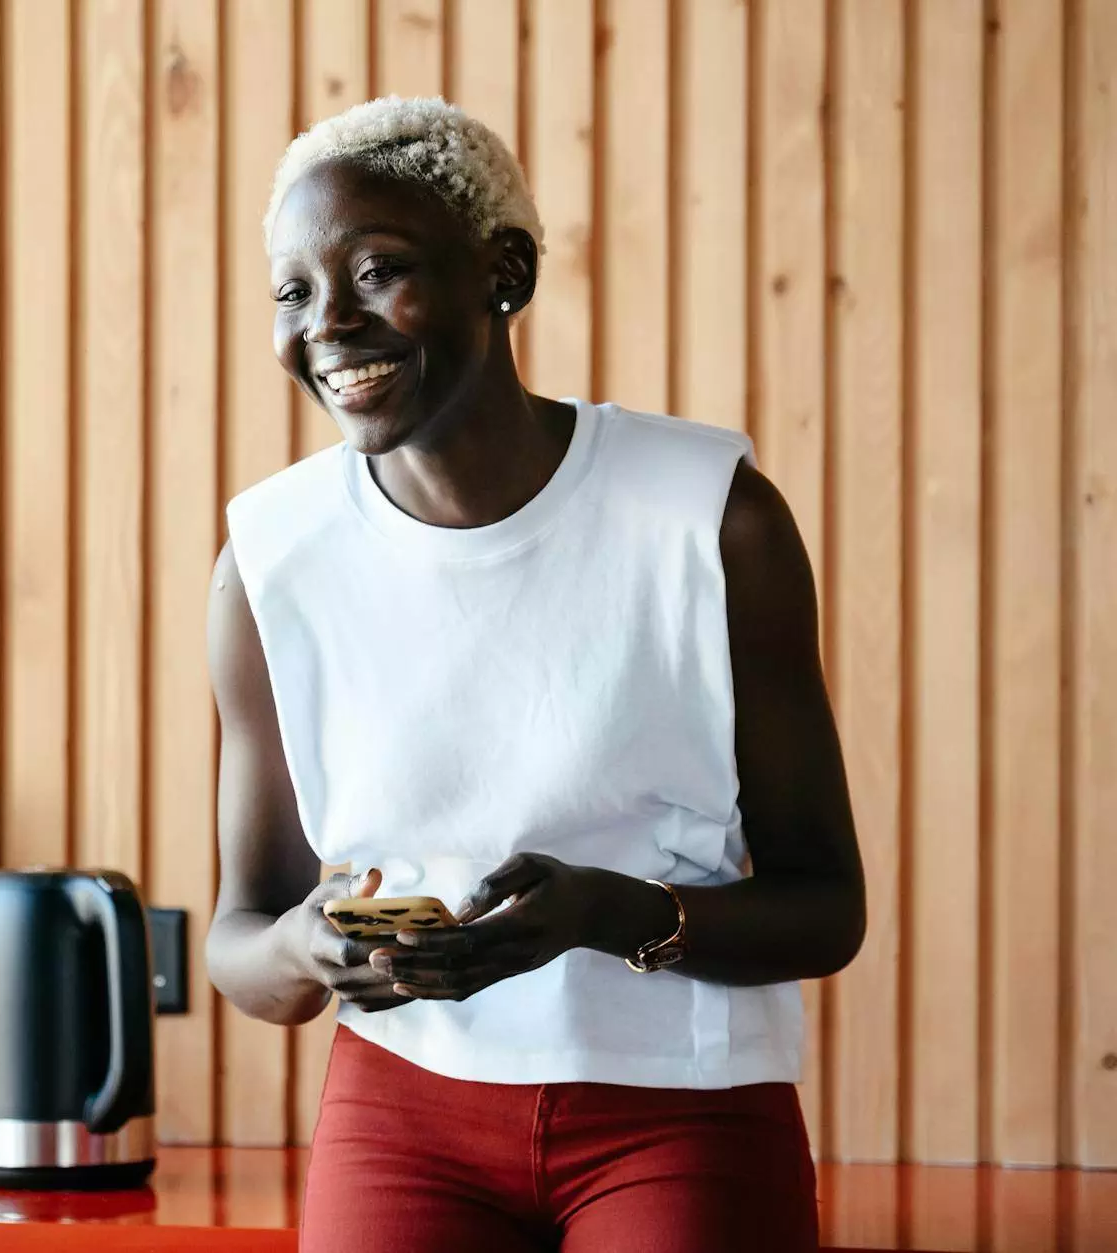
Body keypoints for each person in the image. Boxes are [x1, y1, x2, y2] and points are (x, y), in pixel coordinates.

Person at [205, 97, 865, 1253]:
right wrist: (305, 948)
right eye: (292, 291)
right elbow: (242, 942)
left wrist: (607, 915)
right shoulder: (271, 561)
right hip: (399, 1111)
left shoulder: (707, 519)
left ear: (500, 272)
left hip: (679, 1107)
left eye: (377, 270)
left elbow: (825, 909)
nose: (329, 323)